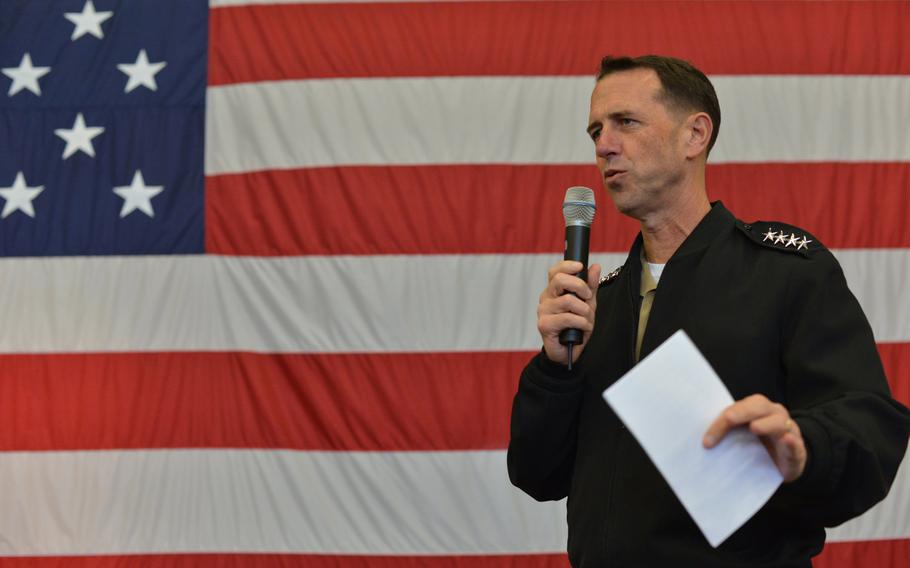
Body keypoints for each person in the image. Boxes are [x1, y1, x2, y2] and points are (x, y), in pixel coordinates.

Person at [506, 55, 910, 567]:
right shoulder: (594, 303)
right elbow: (537, 475)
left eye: (625, 122)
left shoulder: (785, 272)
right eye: (595, 131)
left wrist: (802, 447)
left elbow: (870, 431)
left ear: (695, 135)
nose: (604, 145)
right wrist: (554, 368)